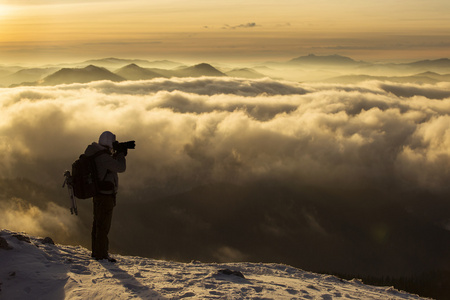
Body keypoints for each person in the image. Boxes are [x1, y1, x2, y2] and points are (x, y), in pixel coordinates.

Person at [84, 131, 127, 262]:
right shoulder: (103, 157)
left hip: (97, 194)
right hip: (105, 196)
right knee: (103, 226)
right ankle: (101, 255)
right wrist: (120, 155)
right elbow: (121, 167)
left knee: (97, 223)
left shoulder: (94, 153)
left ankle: (96, 252)